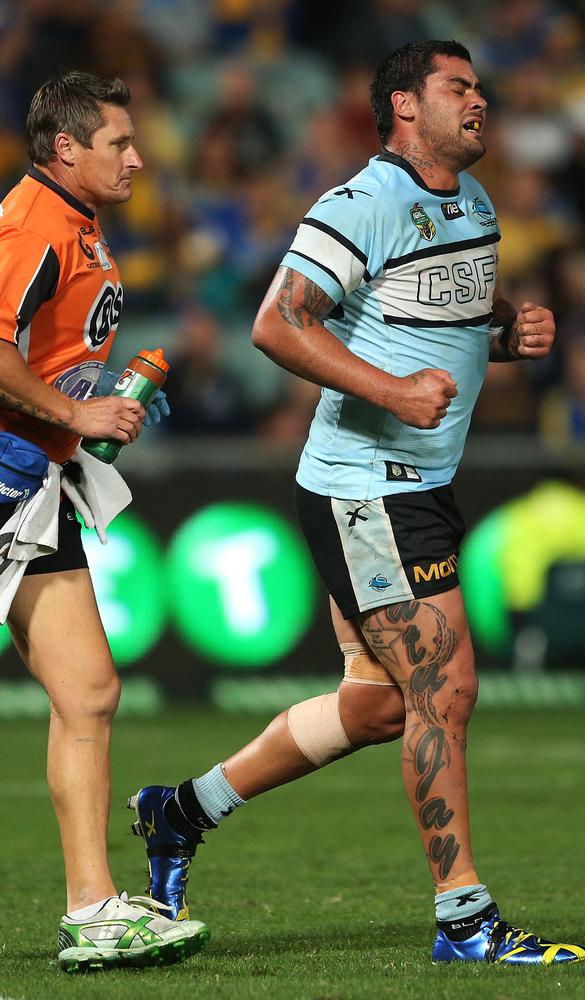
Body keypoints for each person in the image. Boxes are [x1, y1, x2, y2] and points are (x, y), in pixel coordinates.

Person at [130, 40, 585, 966]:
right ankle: (465, 921)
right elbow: (277, 323)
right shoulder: (363, 202)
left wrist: (506, 333)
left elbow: (423, 321)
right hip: (368, 486)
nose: (480, 101)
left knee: (382, 707)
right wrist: (391, 394)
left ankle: (180, 810)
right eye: (458, 87)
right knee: (444, 689)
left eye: (480, 87)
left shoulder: (472, 202)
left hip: (413, 482)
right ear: (404, 107)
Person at [0, 71, 209, 971]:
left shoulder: (78, 227)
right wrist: (75, 412)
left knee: (87, 692)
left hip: (29, 486)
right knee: (88, 695)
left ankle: (93, 910)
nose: (135, 156)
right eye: (118, 143)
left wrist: (94, 396)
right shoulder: (30, 225)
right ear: (65, 150)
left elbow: (48, 355)